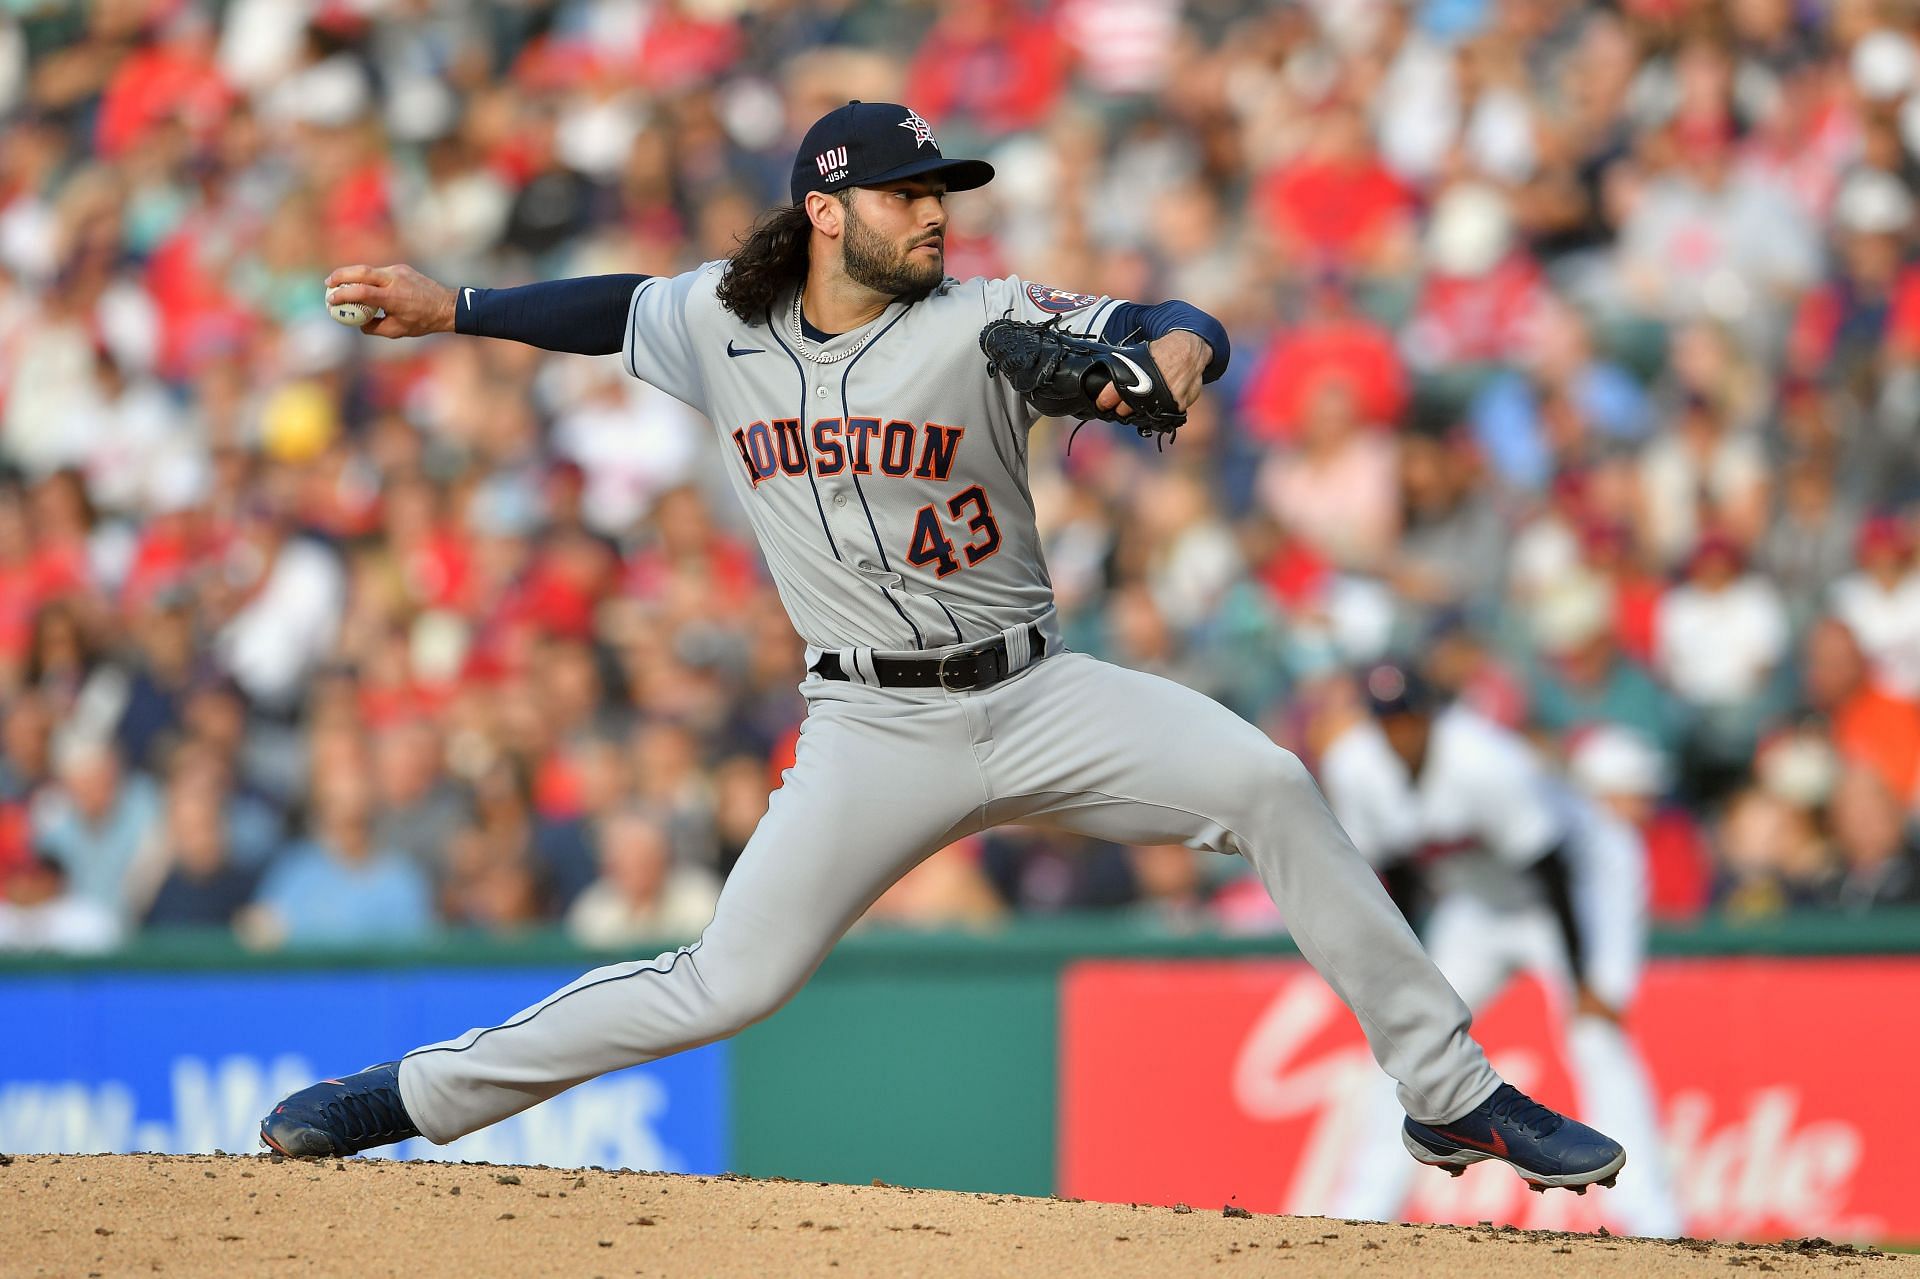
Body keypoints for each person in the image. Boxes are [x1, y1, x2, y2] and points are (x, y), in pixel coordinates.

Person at [260, 101, 1623, 1196]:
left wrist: (1166, 371)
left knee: (1268, 781)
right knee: (723, 982)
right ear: (825, 210)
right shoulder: (719, 323)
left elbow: (1175, 326)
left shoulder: (978, 321)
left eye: (943, 194)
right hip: (869, 729)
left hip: (1038, 691)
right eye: (911, 194)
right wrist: (460, 306)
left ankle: (1449, 1096)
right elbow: (615, 304)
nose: (935, 214)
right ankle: (404, 1095)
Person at [1314, 664, 1679, 1237]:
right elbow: (1399, 874)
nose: (1399, 731)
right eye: (1387, 719)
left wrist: (1586, 978)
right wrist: (1405, 981)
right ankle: (1364, 1205)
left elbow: (1553, 868)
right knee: (1410, 1040)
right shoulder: (1354, 765)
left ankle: (1652, 1221)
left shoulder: (1485, 759)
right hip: (1478, 902)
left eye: (1408, 717)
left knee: (1597, 1035)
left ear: (1432, 713)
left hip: (1582, 888)